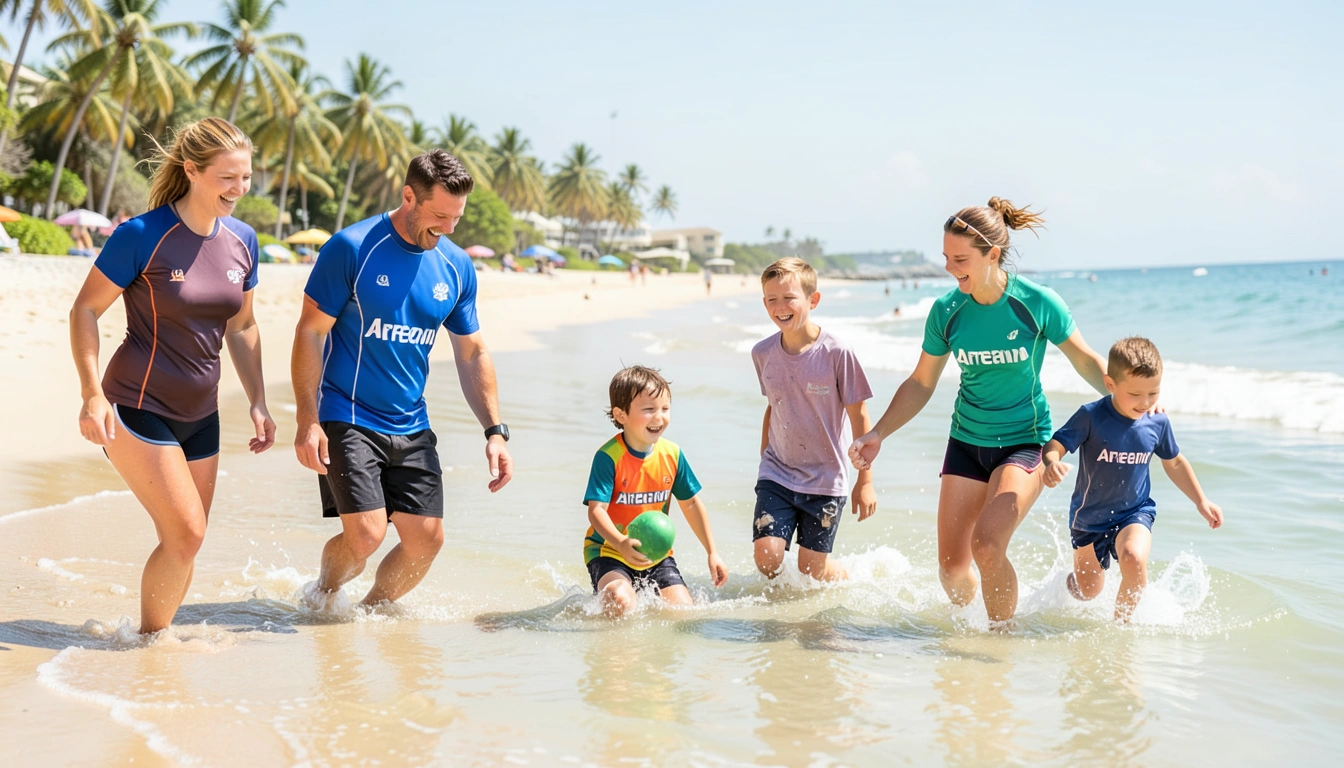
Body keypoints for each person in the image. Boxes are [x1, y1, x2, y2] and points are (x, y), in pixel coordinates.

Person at [849, 198, 1110, 625]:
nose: (951, 268)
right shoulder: (947, 312)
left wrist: (1133, 404)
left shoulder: (1036, 303)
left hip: (1025, 444)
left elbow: (1085, 360)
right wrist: (878, 433)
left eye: (961, 259)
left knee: (988, 547)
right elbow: (920, 382)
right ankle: (985, 617)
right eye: (947, 258)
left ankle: (999, 643)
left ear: (992, 254)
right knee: (952, 570)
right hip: (967, 443)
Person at [68, 117, 276, 635]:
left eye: (245, 177)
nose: (239, 189)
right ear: (193, 170)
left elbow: (243, 325)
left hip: (202, 413)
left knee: (188, 538)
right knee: (186, 534)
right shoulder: (143, 235)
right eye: (228, 177)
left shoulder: (244, 240)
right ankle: (145, 645)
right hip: (138, 405)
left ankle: (152, 648)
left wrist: (258, 400)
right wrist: (91, 394)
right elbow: (85, 311)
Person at [292, 149, 513, 610]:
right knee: (367, 534)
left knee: (426, 541)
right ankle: (323, 596)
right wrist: (307, 419)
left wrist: (494, 431)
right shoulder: (352, 248)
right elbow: (310, 332)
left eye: (457, 217)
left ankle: (369, 613)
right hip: (347, 413)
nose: (450, 228)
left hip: (411, 422)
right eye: (439, 215)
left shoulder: (455, 266)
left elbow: (471, 351)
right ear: (409, 196)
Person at [1043, 337, 1223, 620]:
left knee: (1134, 557)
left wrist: (1201, 501)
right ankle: (1067, 584)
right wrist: (1052, 462)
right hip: (1088, 518)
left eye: (1153, 393)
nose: (1145, 402)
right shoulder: (1091, 416)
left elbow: (1174, 462)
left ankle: (1122, 629)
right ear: (1111, 384)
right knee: (1088, 591)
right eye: (1135, 394)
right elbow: (1056, 444)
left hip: (1135, 511)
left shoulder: (1157, 421)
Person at [752, 258, 876, 582]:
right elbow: (773, 407)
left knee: (812, 572)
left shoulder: (837, 353)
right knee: (767, 556)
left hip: (826, 478)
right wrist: (764, 458)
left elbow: (859, 415)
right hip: (777, 472)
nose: (780, 307)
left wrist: (865, 481)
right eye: (771, 299)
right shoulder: (762, 353)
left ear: (813, 300)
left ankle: (846, 576)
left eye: (789, 298)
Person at [583, 366, 727, 617]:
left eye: (665, 408)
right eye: (649, 409)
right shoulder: (608, 457)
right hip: (609, 550)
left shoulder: (672, 455)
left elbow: (691, 504)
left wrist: (712, 552)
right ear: (621, 414)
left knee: (684, 613)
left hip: (657, 555)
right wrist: (621, 542)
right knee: (620, 600)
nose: (659, 417)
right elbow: (597, 511)